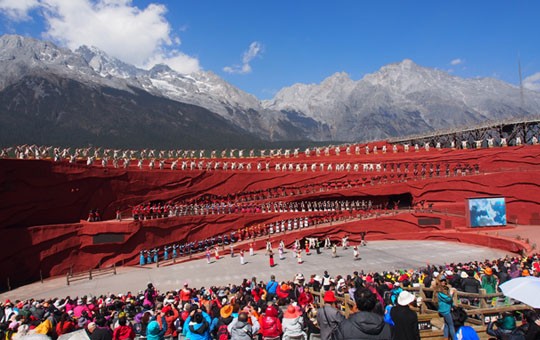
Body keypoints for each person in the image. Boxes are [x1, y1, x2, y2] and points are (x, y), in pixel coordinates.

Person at [435, 276, 456, 340]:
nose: (443, 282)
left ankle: (446, 337)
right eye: (442, 281)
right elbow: (448, 299)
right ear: (439, 282)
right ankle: (454, 338)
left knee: (446, 325)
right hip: (444, 310)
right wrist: (452, 294)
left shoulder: (445, 289)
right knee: (451, 325)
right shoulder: (439, 291)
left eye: (444, 281)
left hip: (446, 308)